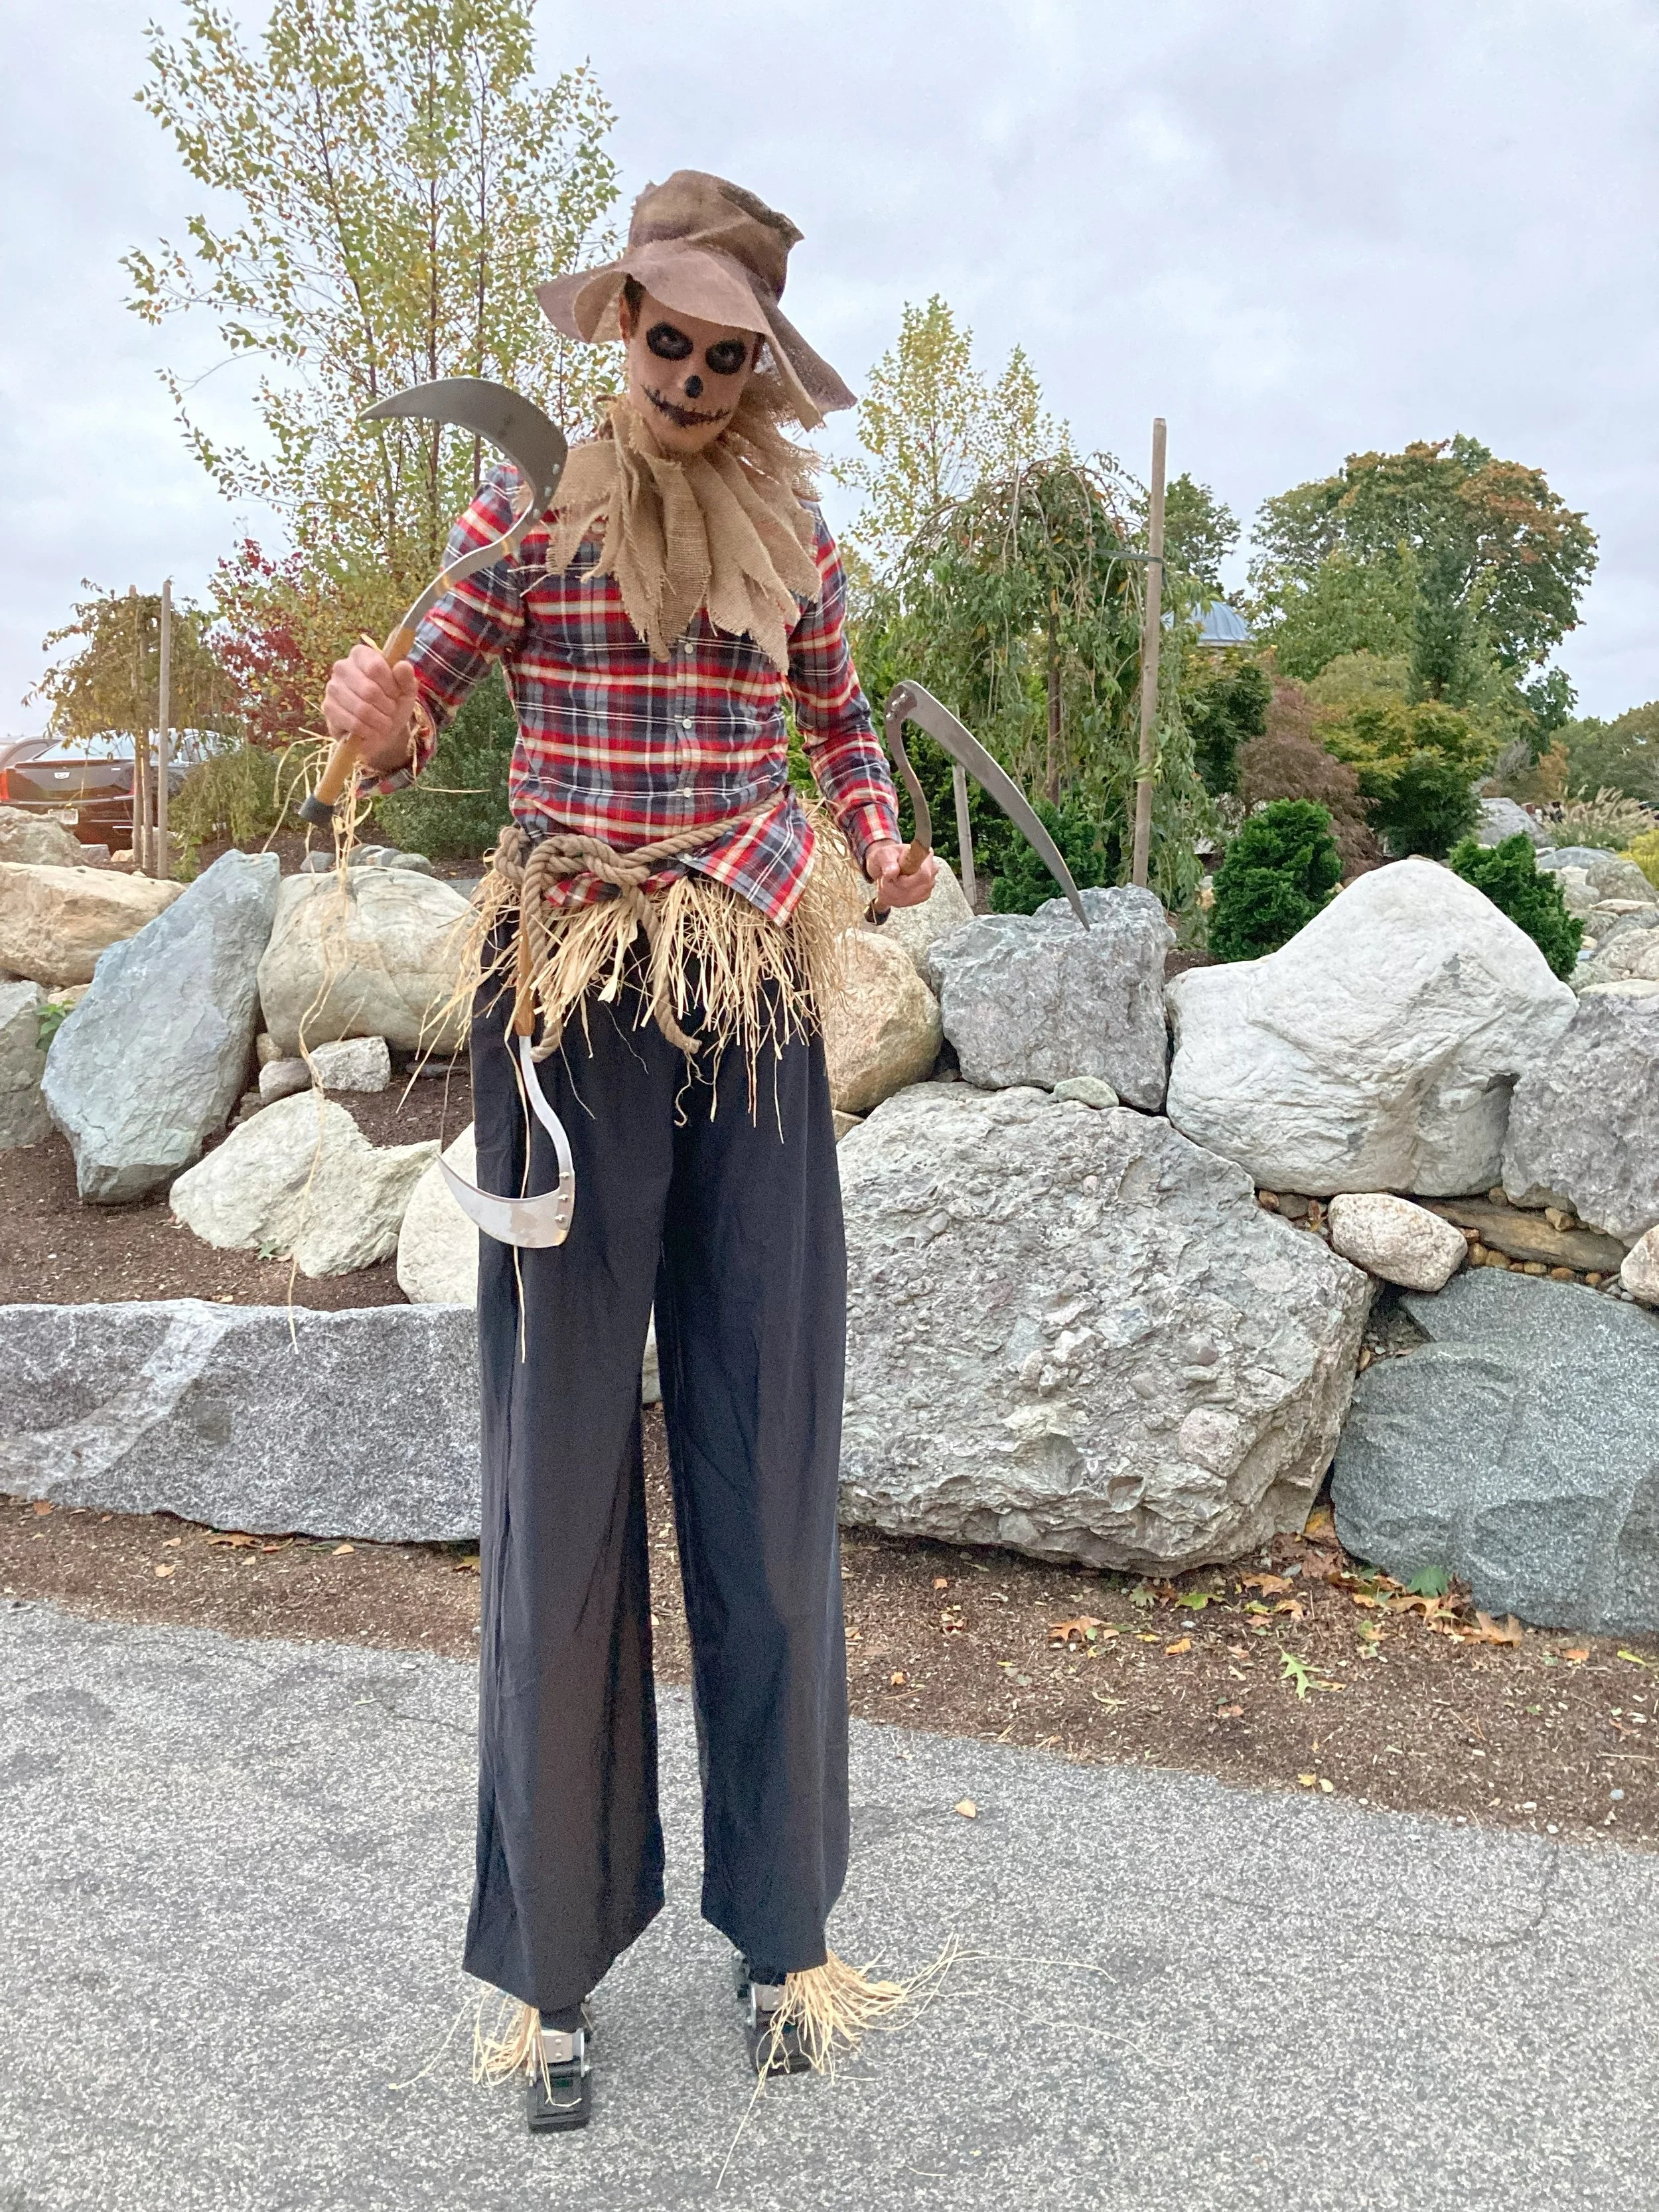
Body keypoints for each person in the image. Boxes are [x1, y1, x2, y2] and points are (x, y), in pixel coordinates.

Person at [321, 171, 935, 2134]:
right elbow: (413, 688)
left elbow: (838, 728)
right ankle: (552, 1974)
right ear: (620, 337)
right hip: (569, 1005)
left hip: (749, 998)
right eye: (661, 338)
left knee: (766, 1448)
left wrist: (885, 828)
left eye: (721, 350)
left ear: (759, 367)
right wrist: (375, 709)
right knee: (561, 1464)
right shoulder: (529, 514)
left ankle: (784, 1928)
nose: (685, 373)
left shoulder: (798, 533)